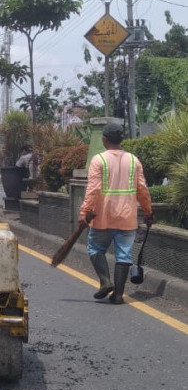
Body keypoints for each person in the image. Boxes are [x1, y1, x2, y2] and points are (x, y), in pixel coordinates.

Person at [78, 123, 153, 304]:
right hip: (127, 217)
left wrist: (85, 211)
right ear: (121, 140)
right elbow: (142, 189)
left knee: (95, 249)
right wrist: (148, 212)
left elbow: (93, 190)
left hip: (103, 216)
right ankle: (118, 295)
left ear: (105, 139)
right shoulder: (134, 160)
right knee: (124, 255)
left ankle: (105, 281)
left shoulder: (99, 160)